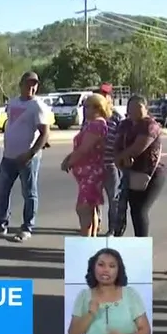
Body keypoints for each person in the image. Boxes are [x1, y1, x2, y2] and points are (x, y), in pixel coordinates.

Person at [0, 71, 50, 242]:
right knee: (1, 190)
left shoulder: (37, 106)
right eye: (28, 83)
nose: (31, 87)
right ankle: (1, 224)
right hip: (8, 156)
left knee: (29, 193)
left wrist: (30, 153)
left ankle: (27, 227)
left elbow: (44, 134)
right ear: (21, 84)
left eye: (34, 84)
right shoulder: (13, 102)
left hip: (27, 158)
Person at [67, 248, 151, 334]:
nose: (106, 270)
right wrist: (90, 314)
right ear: (93, 267)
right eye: (101, 265)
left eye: (112, 266)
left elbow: (146, 332)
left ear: (118, 270)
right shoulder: (83, 296)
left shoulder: (130, 294)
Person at [114, 95, 165, 237]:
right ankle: (136, 241)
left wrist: (123, 157)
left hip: (151, 173)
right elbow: (116, 146)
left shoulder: (150, 125)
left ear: (146, 108)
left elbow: (138, 148)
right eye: (131, 108)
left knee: (140, 210)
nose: (134, 111)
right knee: (132, 209)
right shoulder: (124, 124)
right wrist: (119, 160)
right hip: (130, 172)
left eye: (138, 107)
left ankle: (142, 243)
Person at [61, 94, 110, 237]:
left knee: (83, 208)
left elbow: (84, 149)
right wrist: (69, 158)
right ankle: (91, 241)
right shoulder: (92, 124)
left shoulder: (96, 125)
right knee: (90, 208)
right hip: (88, 173)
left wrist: (69, 162)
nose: (84, 109)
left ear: (97, 108)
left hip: (92, 173)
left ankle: (85, 241)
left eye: (87, 106)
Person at [95, 84, 126, 236]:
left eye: (105, 95)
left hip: (110, 165)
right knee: (93, 198)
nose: (102, 97)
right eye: (100, 94)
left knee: (113, 198)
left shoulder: (117, 118)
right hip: (94, 166)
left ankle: (113, 229)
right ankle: (95, 224)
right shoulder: (93, 116)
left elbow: (124, 140)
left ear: (110, 98)